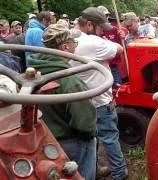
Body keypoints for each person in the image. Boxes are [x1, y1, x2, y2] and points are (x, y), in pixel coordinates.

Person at [27, 24, 97, 179]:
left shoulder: (31, 73)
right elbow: (85, 123)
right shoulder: (71, 82)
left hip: (43, 140)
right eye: (74, 42)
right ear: (66, 47)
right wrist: (90, 135)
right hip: (70, 141)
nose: (76, 45)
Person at [69, 7, 128, 179]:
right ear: (89, 25)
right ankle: (119, 172)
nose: (103, 32)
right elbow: (119, 49)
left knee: (89, 139)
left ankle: (93, 170)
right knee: (109, 137)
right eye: (100, 28)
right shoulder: (92, 43)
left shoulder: (71, 38)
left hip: (83, 101)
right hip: (100, 101)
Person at [101, 12, 128, 89]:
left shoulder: (118, 31)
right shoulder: (100, 31)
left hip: (113, 65)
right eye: (112, 21)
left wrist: (123, 38)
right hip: (102, 64)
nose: (115, 23)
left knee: (117, 86)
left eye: (117, 21)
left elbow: (123, 48)